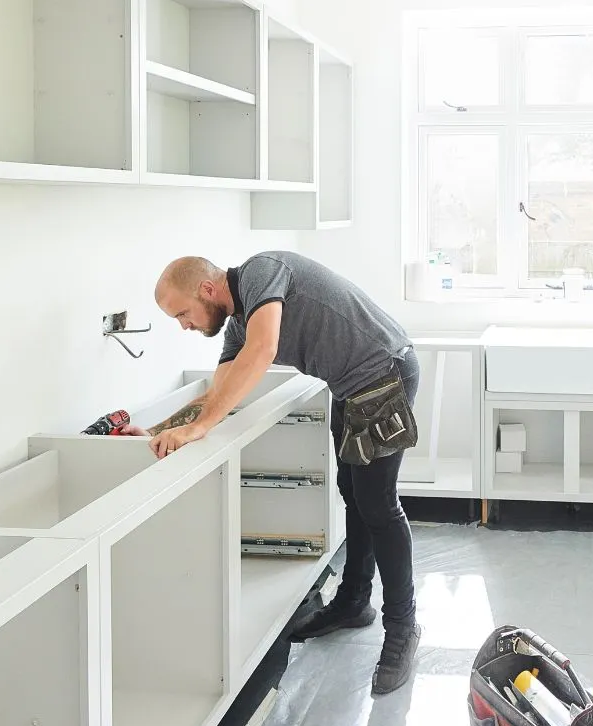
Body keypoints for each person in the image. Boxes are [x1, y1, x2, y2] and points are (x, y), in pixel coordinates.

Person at [147, 251, 422, 695]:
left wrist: (200, 427)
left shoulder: (263, 271)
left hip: (385, 373)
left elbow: (264, 350)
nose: (185, 325)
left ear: (207, 289)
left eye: (182, 313)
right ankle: (354, 601)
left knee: (378, 505)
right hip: (353, 389)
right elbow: (221, 390)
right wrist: (163, 429)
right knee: (353, 493)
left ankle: (403, 628)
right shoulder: (240, 324)